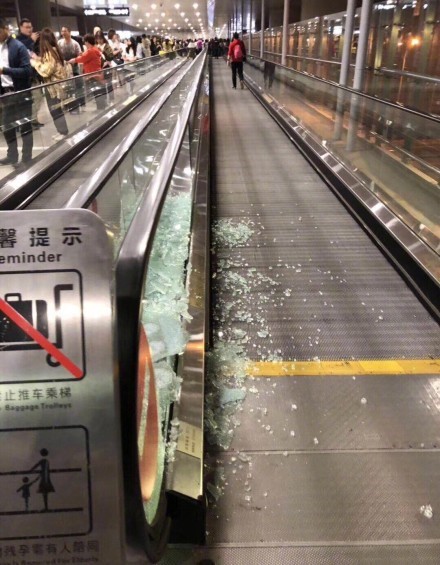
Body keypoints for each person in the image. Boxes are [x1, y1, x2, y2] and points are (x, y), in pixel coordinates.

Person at [0, 18, 33, 167]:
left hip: (21, 93)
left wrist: (4, 70)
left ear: (5, 29)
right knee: (7, 126)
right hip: (5, 94)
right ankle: (12, 155)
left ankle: (26, 158)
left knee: (25, 127)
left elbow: (27, 71)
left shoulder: (18, 47)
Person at [31, 28, 70, 141]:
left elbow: (46, 71)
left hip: (54, 88)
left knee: (55, 110)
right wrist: (39, 59)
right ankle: (61, 131)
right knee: (55, 110)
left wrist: (34, 63)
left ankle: (63, 131)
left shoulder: (50, 52)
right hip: (55, 87)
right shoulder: (54, 50)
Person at [68, 33, 106, 110]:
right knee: (97, 91)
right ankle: (101, 107)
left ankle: (101, 108)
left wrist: (73, 60)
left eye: (85, 42)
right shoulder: (95, 49)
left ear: (87, 42)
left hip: (93, 74)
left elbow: (82, 58)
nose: (84, 43)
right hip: (96, 73)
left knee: (97, 92)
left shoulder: (91, 51)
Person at [58, 26, 82, 113]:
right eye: (62, 31)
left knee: (75, 88)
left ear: (69, 32)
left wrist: (74, 60)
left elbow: (80, 55)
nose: (63, 33)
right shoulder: (59, 43)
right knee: (66, 89)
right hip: (63, 70)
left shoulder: (75, 44)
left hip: (74, 69)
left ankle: (76, 107)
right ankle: (67, 106)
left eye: (65, 31)